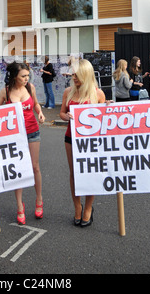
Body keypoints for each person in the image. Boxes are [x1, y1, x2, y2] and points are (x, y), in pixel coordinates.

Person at [0, 61, 45, 225]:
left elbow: (36, 103)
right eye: (23, 76)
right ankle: (19, 206)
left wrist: (40, 112)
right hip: (15, 136)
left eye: (27, 75)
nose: (26, 78)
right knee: (18, 170)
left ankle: (39, 199)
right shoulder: (6, 91)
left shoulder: (30, 88)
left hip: (32, 131)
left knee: (35, 167)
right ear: (14, 76)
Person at [60, 59, 106, 227]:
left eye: (77, 75)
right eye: (73, 75)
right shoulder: (68, 92)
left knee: (90, 173)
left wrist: (108, 107)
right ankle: (77, 206)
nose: (74, 78)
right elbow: (62, 113)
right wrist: (67, 117)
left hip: (91, 141)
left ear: (86, 75)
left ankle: (88, 208)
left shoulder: (98, 93)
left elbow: (104, 118)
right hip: (71, 137)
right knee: (74, 173)